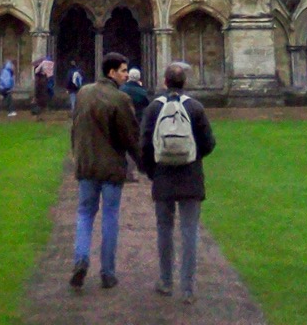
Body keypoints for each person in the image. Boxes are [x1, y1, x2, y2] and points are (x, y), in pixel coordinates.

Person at [140, 63, 216, 305]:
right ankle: (188, 288)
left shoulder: (153, 108)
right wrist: (193, 157)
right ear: (185, 83)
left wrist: (153, 171)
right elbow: (209, 142)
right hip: (190, 176)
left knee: (164, 229)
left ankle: (165, 281)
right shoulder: (195, 107)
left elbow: (144, 145)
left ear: (164, 82)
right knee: (189, 231)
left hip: (162, 175)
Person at [69, 51, 140, 292]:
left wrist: (76, 154)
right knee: (109, 216)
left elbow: (75, 127)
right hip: (110, 168)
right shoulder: (120, 99)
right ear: (111, 72)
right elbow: (131, 138)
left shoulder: (83, 93)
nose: (126, 74)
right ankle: (108, 273)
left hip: (87, 164)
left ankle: (80, 259)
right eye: (122, 70)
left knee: (84, 214)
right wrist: (144, 164)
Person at [119, 66, 151, 182]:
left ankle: (125, 172)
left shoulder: (122, 89)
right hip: (138, 121)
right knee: (135, 146)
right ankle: (136, 171)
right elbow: (147, 104)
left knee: (124, 146)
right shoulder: (141, 91)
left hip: (123, 121)